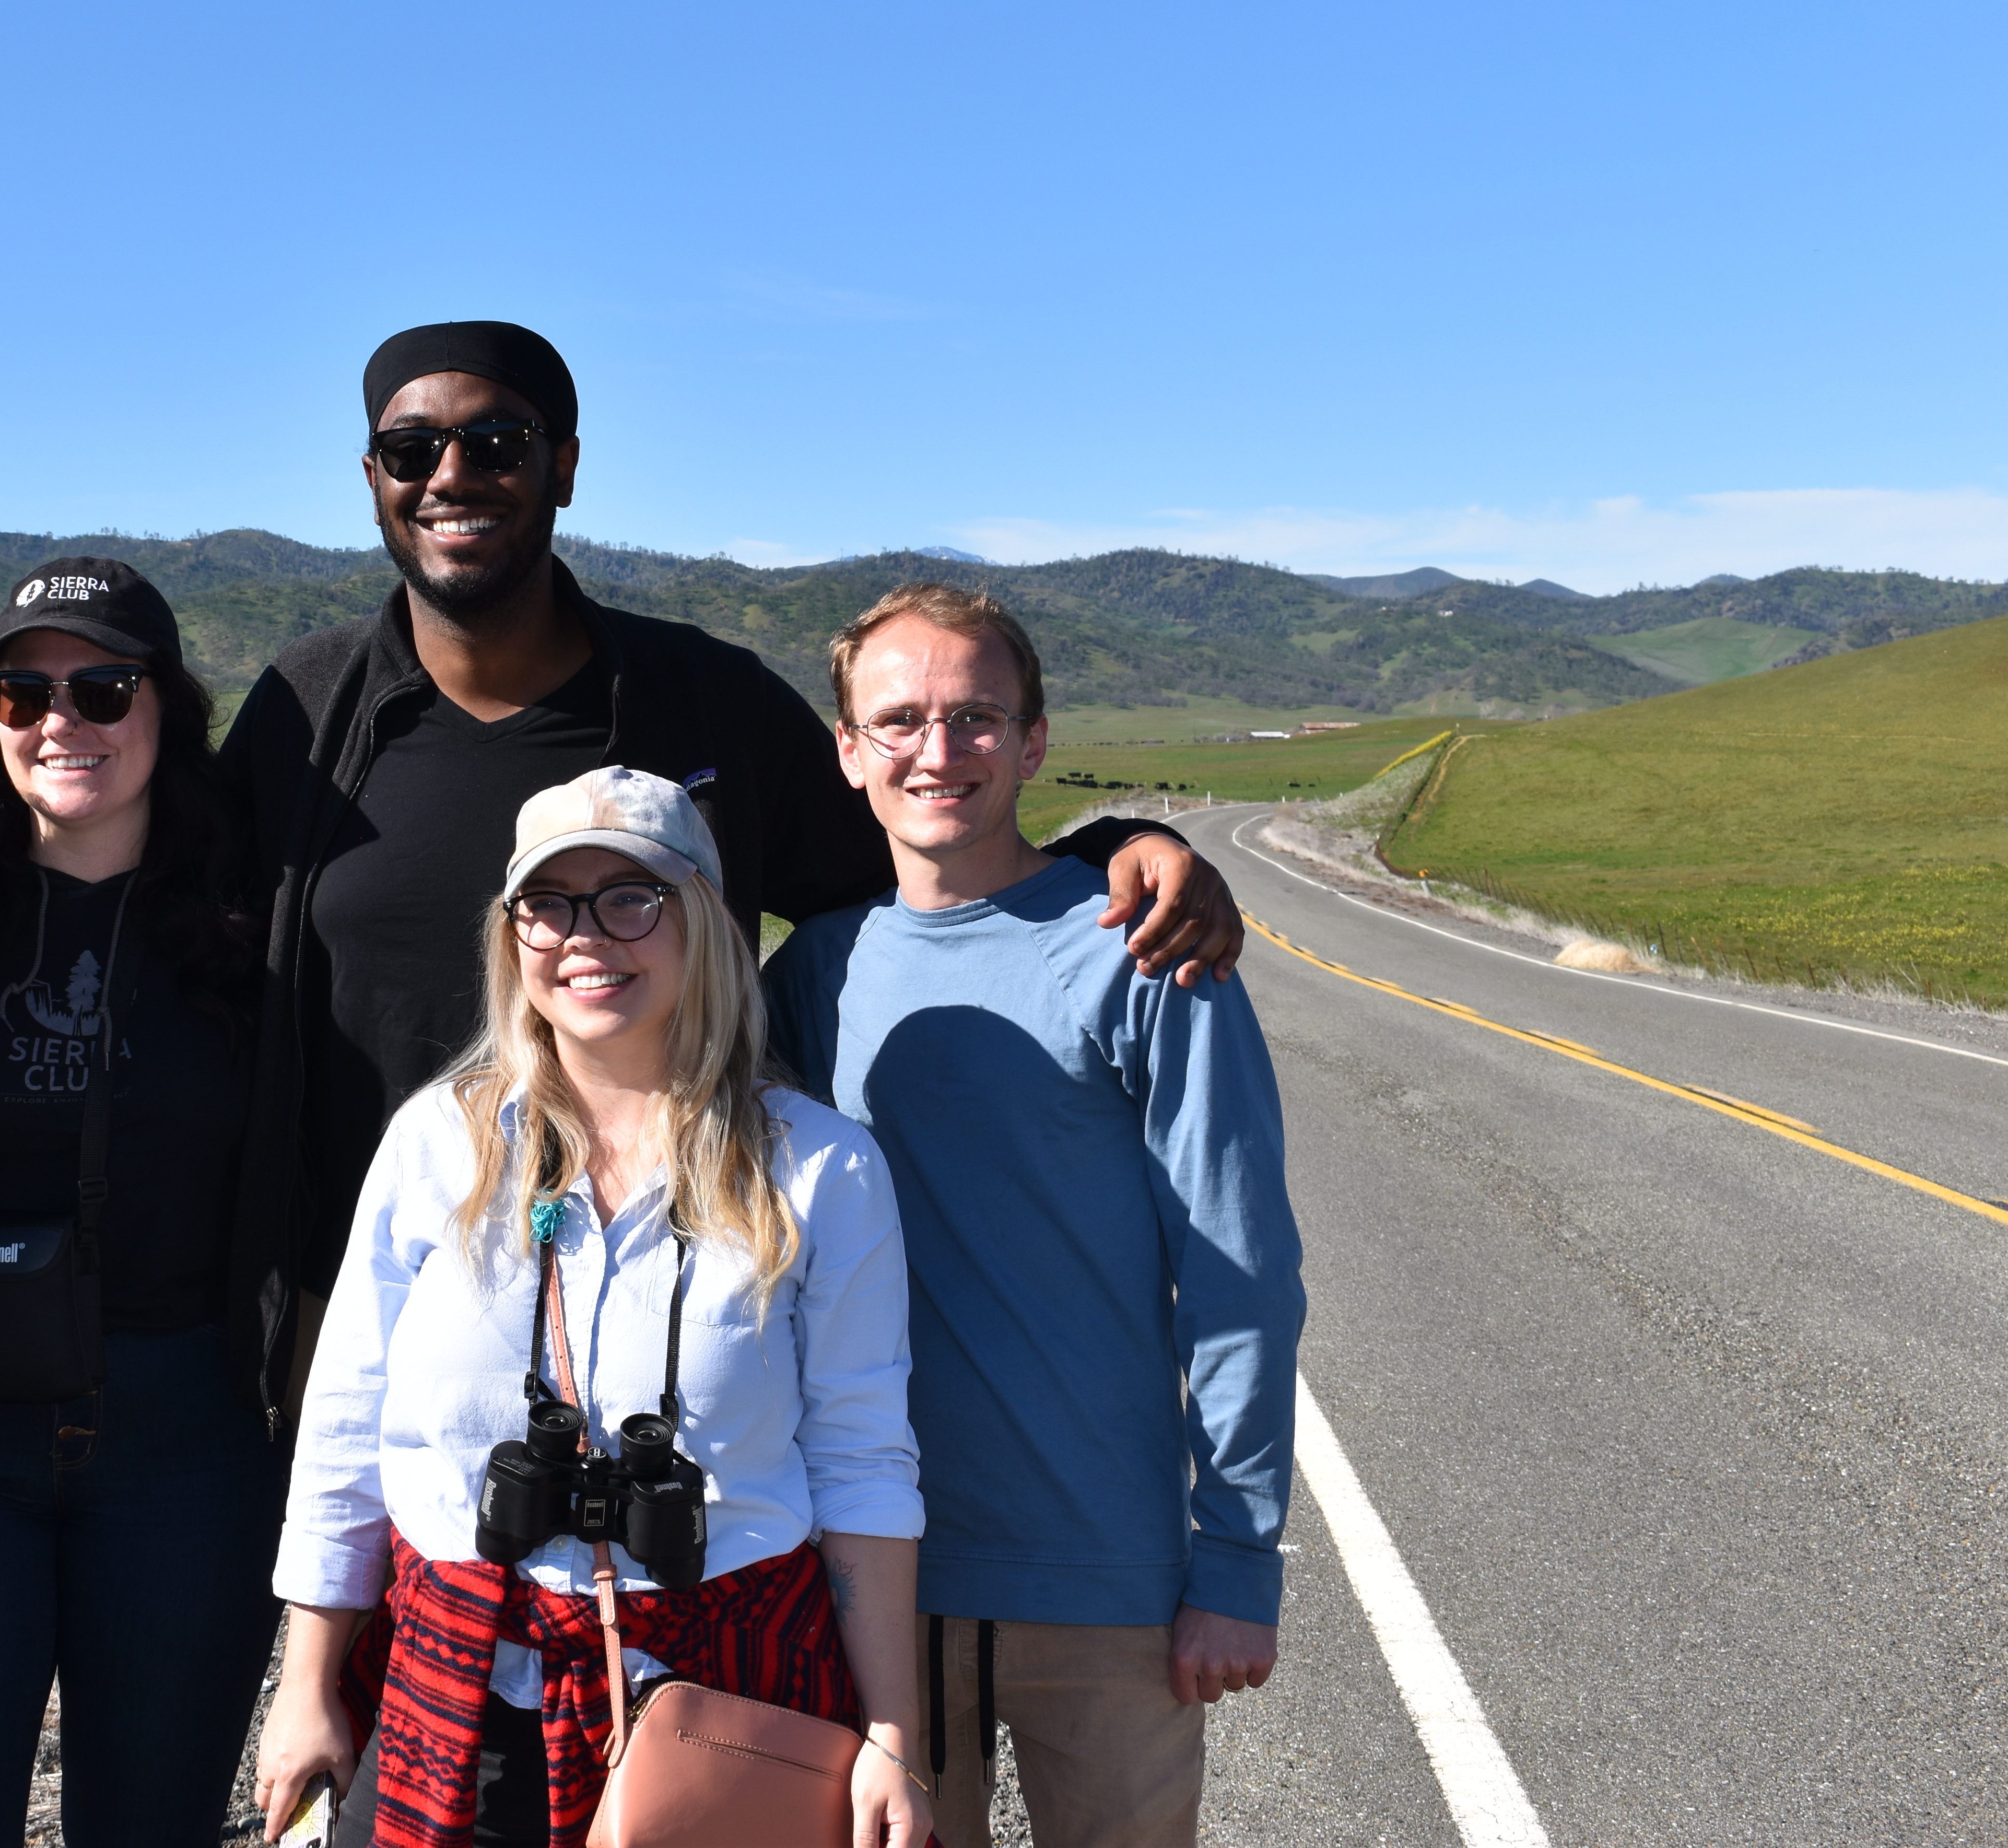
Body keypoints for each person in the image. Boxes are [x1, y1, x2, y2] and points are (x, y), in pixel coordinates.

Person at [217, 317, 1248, 1424]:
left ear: (564, 464)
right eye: (414, 450)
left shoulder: (706, 701)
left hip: (676, 1314)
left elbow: (917, 870)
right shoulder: (305, 713)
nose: (454, 474)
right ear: (373, 478)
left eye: (499, 441)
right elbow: (189, 938)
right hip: (376, 1309)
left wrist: (1115, 851)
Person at [260, 766, 936, 1847]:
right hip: (460, 1687)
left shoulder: (822, 1168)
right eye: (550, 902)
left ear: (705, 923)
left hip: (723, 1693)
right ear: (512, 933)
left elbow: (863, 1457)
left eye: (633, 897)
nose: (589, 935)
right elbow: (349, 1420)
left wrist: (893, 1731)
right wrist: (304, 1682)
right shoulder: (439, 1143)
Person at [761, 584, 1304, 1848]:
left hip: (1101, 1577)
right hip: (870, 1578)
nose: (937, 752)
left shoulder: (1145, 949)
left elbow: (1242, 1275)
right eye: (897, 721)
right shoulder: (812, 974)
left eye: (978, 718)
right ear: (847, 750)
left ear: (1036, 737)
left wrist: (1236, 1560)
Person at [0, 559, 284, 1846]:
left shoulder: (257, 910)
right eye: (23, 693)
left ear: (169, 707)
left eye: (102, 687)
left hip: (187, 1433)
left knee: (154, 1820)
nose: (59, 722)